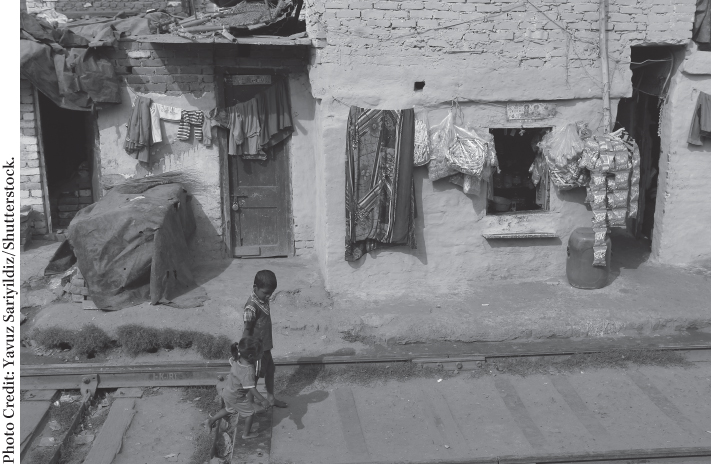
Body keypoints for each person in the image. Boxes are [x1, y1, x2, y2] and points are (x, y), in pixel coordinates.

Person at [204, 338, 271, 439]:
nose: (262, 355)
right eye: (261, 353)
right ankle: (246, 434)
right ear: (251, 356)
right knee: (250, 413)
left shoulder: (237, 359)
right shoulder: (248, 370)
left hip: (227, 391)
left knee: (229, 409)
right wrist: (263, 400)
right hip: (236, 396)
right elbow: (251, 388)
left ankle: (211, 420)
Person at [242, 270, 288, 408]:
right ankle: (250, 404)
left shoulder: (262, 299)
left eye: (271, 293)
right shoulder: (251, 307)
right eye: (265, 292)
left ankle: (271, 398)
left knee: (270, 370)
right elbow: (247, 330)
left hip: (265, 347)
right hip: (256, 349)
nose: (268, 296)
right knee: (254, 376)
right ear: (255, 288)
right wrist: (244, 352)